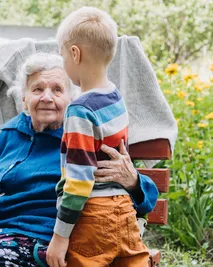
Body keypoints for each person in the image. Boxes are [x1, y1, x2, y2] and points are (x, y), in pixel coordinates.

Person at [0, 52, 159, 267]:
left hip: (37, 240)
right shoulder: (10, 133)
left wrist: (133, 181)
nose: (47, 97)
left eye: (57, 89)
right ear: (24, 99)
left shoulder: (81, 139)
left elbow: (140, 196)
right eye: (37, 90)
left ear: (71, 99)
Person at [46, 7, 152, 267]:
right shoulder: (115, 97)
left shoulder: (79, 110)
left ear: (75, 53)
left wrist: (60, 238)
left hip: (93, 217)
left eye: (63, 55)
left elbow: (79, 181)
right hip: (125, 212)